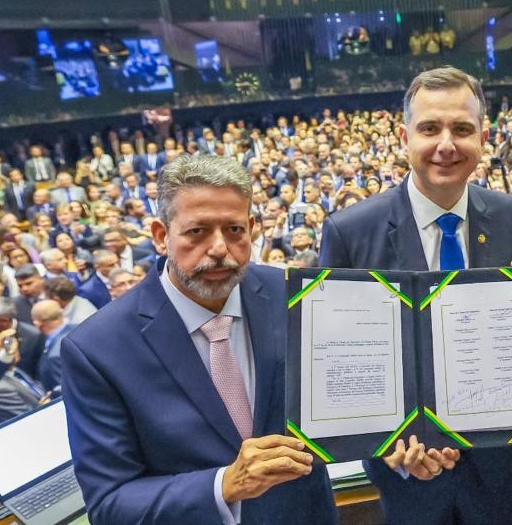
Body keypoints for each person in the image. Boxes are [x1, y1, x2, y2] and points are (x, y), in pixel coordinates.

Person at [62, 155, 335, 523]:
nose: (220, 248)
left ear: (253, 229)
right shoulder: (97, 349)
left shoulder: (296, 295)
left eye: (234, 230)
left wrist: (393, 445)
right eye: (197, 231)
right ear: (161, 236)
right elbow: (110, 503)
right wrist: (223, 486)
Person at [319, 67, 512, 525]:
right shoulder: (350, 232)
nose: (446, 144)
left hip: (495, 472)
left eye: (462, 129)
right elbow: (338, 368)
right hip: (406, 479)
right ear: (404, 136)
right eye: (429, 128)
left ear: (483, 136)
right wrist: (394, 451)